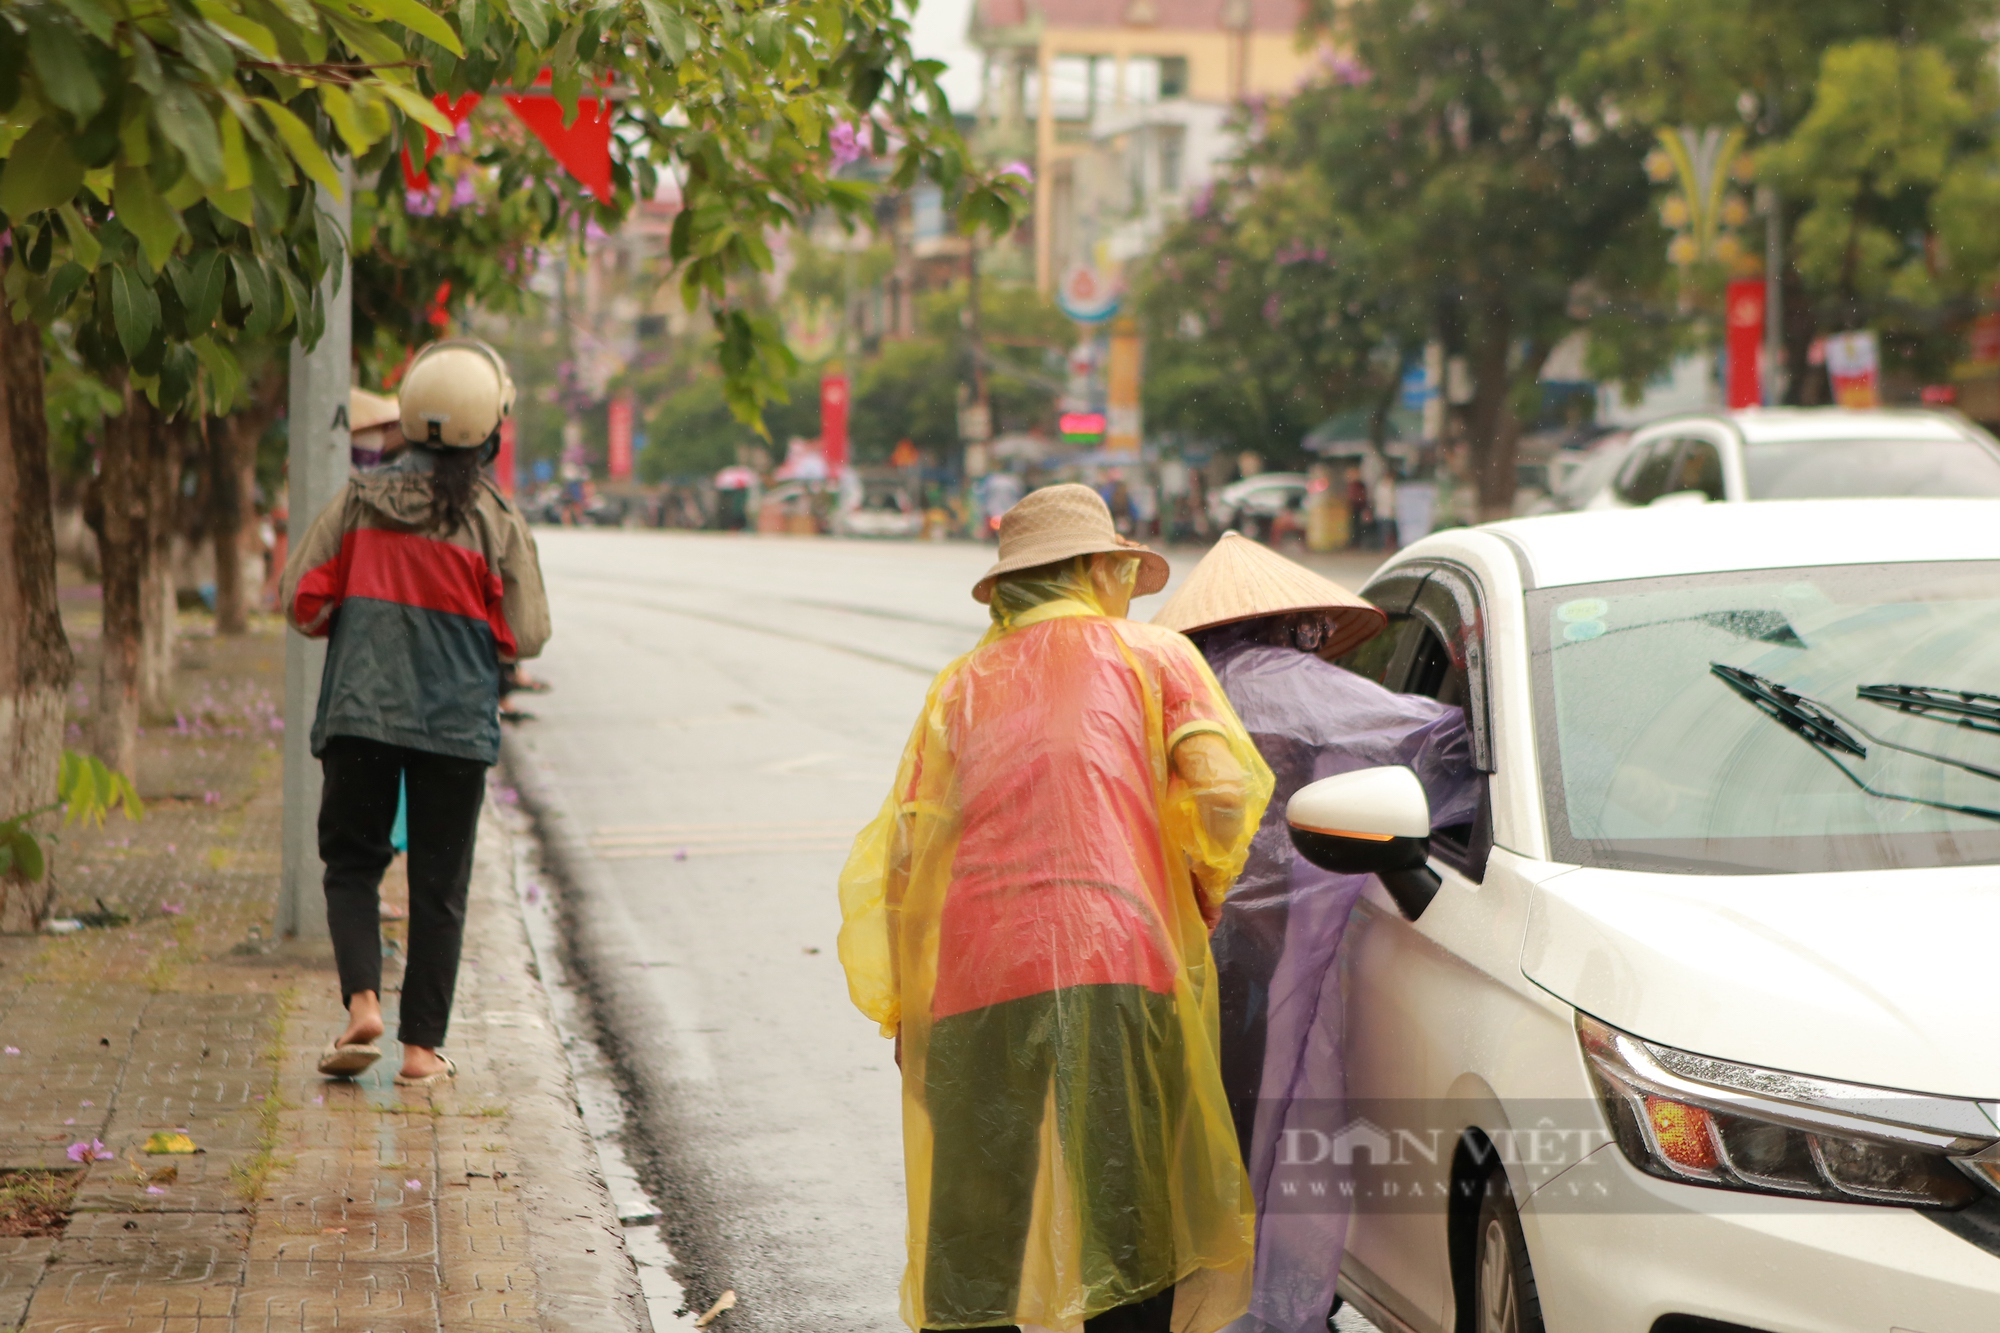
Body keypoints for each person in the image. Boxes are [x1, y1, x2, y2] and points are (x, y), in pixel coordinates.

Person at [838, 485, 1274, 1333]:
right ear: (1092, 567)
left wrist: (905, 1014)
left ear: (1011, 586)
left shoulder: (959, 688)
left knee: (975, 1240)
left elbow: (903, 859)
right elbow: (1223, 793)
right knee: (1127, 1219)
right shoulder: (1156, 659)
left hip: (975, 973)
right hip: (1116, 956)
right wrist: (1198, 889)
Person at [1151, 533, 1480, 1333]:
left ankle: (1196, 1303)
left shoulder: (1173, 688)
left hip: (1174, 945)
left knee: (1191, 1148)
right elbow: (1436, 744)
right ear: (1294, 621)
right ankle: (1245, 1305)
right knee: (1256, 1139)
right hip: (1257, 953)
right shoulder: (1276, 677)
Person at [282, 338, 551, 1087]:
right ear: (489, 431)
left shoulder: (358, 502)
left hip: (360, 714)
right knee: (439, 884)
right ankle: (419, 1051)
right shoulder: (497, 520)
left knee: (352, 864)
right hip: (454, 727)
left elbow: (299, 597)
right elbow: (526, 632)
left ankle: (363, 1001)